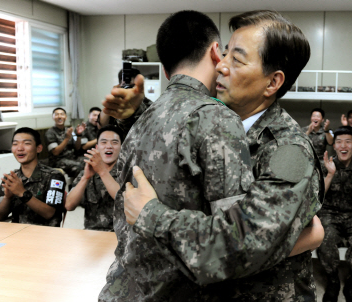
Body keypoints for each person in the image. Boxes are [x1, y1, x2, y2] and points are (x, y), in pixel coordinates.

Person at [101, 10, 324, 301]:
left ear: (272, 83)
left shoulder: (289, 152)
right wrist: (139, 115)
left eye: (237, 59)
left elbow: (240, 248)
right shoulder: (217, 123)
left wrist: (150, 214)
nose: (220, 67)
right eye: (225, 53)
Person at [317, 126, 352, 302]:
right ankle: (332, 279)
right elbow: (317, 197)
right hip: (328, 213)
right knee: (324, 236)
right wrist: (330, 174)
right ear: (333, 146)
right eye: (339, 142)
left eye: (348, 141)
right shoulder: (323, 164)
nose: (343, 145)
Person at [0, 127, 65, 226]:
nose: (20, 148)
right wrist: (7, 197)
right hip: (17, 235)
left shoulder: (54, 176)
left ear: (39, 148)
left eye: (26, 143)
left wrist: (22, 193)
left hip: (45, 236)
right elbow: (0, 216)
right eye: (15, 144)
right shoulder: (10, 178)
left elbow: (49, 213)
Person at [65, 125, 123, 231]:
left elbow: (124, 201)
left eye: (114, 142)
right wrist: (85, 178)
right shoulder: (87, 173)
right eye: (103, 142)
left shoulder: (128, 172)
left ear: (122, 147)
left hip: (121, 236)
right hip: (92, 234)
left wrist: (102, 171)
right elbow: (69, 205)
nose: (108, 146)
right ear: (97, 147)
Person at [45, 107, 86, 178]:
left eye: (62, 114)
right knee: (79, 166)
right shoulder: (50, 132)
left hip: (72, 157)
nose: (59, 117)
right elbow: (55, 152)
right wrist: (67, 138)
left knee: (89, 161)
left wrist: (79, 135)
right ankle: (77, 188)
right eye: (57, 114)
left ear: (66, 117)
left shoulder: (70, 130)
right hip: (58, 161)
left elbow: (77, 147)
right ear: (53, 117)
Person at [303, 108, 333, 173]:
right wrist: (308, 131)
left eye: (318, 116)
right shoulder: (304, 130)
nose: (315, 118)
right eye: (313, 116)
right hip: (307, 162)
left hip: (321, 164)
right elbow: (300, 142)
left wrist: (326, 130)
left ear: (322, 119)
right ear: (311, 118)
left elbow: (331, 142)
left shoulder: (326, 130)